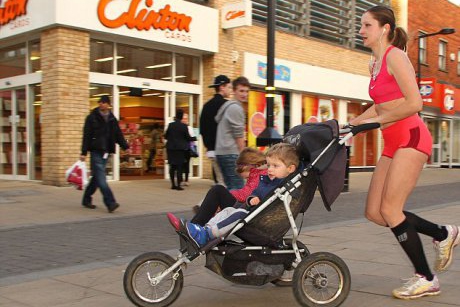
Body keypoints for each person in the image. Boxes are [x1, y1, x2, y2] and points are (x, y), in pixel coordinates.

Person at [351, 5, 460, 299]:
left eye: (366, 25)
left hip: (412, 137)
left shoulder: (395, 56)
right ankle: (442, 233)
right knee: (375, 212)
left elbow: (414, 103)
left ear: (384, 29)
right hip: (392, 141)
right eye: (361, 25)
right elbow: (381, 104)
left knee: (390, 209)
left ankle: (426, 278)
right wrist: (353, 123)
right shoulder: (373, 64)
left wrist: (373, 122)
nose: (361, 30)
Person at [168, 143, 299, 248]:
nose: (270, 169)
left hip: (257, 220)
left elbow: (269, 200)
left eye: (275, 166)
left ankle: (202, 234)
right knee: (228, 210)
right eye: (269, 165)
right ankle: (201, 230)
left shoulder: (279, 184)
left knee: (234, 210)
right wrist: (251, 199)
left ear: (290, 169)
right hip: (251, 212)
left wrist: (248, 199)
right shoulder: (267, 179)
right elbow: (253, 193)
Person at [190, 147, 267, 226]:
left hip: (246, 213)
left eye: (247, 177)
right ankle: (198, 221)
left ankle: (194, 225)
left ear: (253, 166)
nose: (247, 179)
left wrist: (226, 195)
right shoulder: (259, 174)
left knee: (218, 190)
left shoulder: (261, 175)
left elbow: (246, 194)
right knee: (218, 194)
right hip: (247, 209)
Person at [80, 95, 129, 213]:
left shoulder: (112, 119)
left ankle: (86, 199)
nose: (101, 104)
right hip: (96, 150)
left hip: (106, 152)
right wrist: (83, 152)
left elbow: (118, 134)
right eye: (100, 102)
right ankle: (110, 202)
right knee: (101, 178)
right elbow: (86, 136)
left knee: (97, 178)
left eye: (103, 102)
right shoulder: (91, 118)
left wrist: (125, 146)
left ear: (108, 104)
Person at [215, 76, 250, 190]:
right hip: (231, 153)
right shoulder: (236, 109)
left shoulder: (227, 106)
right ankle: (216, 206)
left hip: (221, 152)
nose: (244, 94)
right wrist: (243, 156)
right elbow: (238, 135)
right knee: (237, 188)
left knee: (230, 187)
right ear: (234, 91)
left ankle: (212, 205)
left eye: (246, 91)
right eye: (241, 91)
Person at [199, 75, 232, 185]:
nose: (230, 90)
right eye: (229, 87)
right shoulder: (226, 105)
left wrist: (209, 146)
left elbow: (203, 129)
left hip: (212, 150)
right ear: (222, 87)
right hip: (226, 150)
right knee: (228, 183)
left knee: (218, 180)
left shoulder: (206, 106)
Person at [164, 109, 196, 190]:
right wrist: (194, 138)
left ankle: (172, 184)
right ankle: (178, 185)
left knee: (172, 166)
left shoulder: (170, 125)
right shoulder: (184, 126)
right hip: (180, 149)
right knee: (179, 167)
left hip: (170, 148)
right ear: (181, 116)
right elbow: (188, 138)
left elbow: (166, 136)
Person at [181, 113, 196, 186]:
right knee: (181, 164)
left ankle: (186, 179)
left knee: (187, 164)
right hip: (180, 149)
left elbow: (192, 137)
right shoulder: (179, 127)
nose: (185, 120)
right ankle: (180, 179)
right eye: (183, 118)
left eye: (186, 119)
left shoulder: (189, 128)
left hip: (187, 148)